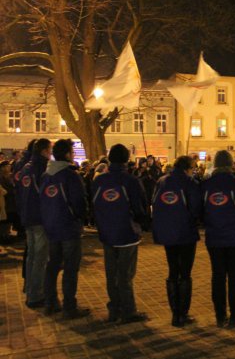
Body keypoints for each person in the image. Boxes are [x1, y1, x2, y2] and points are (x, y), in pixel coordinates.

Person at [92, 144, 149, 323]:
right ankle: (128, 310)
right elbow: (140, 207)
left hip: (107, 233)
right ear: (126, 160)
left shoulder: (99, 181)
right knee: (125, 275)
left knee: (111, 274)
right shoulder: (131, 181)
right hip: (127, 233)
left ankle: (114, 308)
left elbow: (94, 205)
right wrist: (143, 224)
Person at [202, 150, 235, 327]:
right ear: (231, 164)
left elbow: (198, 210)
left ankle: (219, 315)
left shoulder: (206, 185)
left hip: (214, 236)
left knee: (217, 276)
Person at [40, 139, 90, 319]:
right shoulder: (70, 175)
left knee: (52, 265)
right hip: (68, 227)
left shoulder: (46, 175)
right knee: (70, 267)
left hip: (51, 226)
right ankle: (70, 306)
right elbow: (78, 202)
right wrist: (81, 216)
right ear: (68, 154)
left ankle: (50, 302)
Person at [151, 155, 201, 327]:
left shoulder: (162, 181)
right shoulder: (190, 183)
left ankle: (175, 314)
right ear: (187, 168)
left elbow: (155, 203)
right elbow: (196, 209)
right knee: (185, 272)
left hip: (167, 232)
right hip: (186, 233)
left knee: (173, 270)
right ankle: (182, 313)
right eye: (193, 167)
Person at [18, 138, 52, 308]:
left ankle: (30, 289)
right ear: (44, 151)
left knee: (32, 256)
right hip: (39, 218)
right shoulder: (42, 168)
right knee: (40, 258)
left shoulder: (26, 167)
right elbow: (46, 195)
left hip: (27, 217)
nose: (51, 153)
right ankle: (36, 295)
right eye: (49, 149)